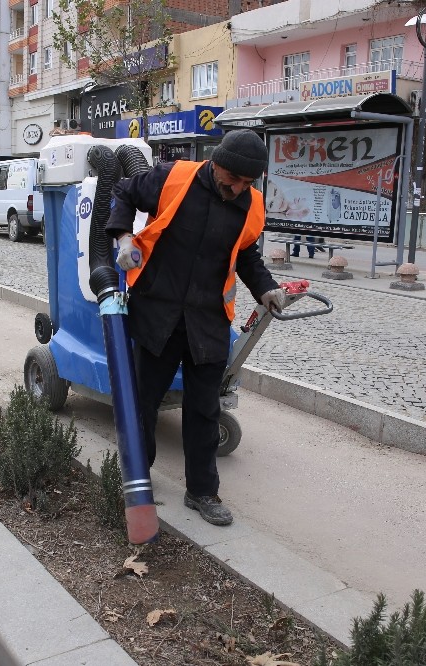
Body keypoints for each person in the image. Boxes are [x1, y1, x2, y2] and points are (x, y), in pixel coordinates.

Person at [107, 129, 284, 527]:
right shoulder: (174, 177)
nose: (237, 189)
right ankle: (136, 479)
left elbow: (247, 255)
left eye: (247, 183)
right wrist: (122, 237)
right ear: (216, 163)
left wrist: (267, 289)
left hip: (207, 321)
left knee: (205, 408)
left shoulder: (251, 204)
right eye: (232, 179)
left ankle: (202, 491)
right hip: (158, 312)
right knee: (143, 403)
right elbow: (123, 190)